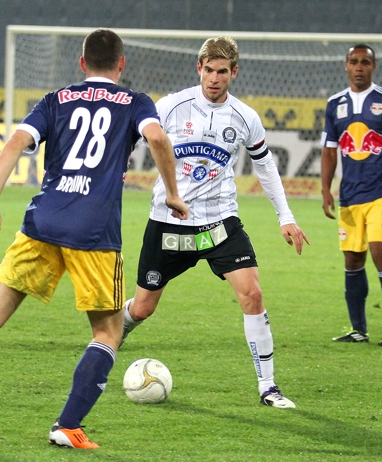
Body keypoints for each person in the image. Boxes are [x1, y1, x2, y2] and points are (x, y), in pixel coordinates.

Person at [0, 29, 188, 449]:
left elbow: (16, 141)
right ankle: (67, 425)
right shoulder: (136, 102)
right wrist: (173, 194)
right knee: (107, 334)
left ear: (82, 62)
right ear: (121, 64)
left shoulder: (56, 99)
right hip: (94, 233)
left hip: (42, 224)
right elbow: (158, 138)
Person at [120, 36, 309, 409]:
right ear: (199, 69)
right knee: (143, 308)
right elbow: (132, 140)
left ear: (233, 73)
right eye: (209, 70)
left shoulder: (244, 117)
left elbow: (265, 165)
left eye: (222, 71)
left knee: (252, 294)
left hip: (220, 224)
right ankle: (114, 334)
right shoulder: (172, 106)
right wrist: (119, 169)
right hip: (169, 222)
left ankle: (268, 387)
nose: (214, 78)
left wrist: (285, 216)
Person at [321, 44, 382, 346]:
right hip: (350, 194)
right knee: (352, 259)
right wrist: (325, 189)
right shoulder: (334, 104)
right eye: (354, 62)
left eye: (365, 62)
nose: (359, 67)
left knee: (379, 251)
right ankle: (358, 329)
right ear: (345, 66)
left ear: (374, 66)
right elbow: (329, 150)